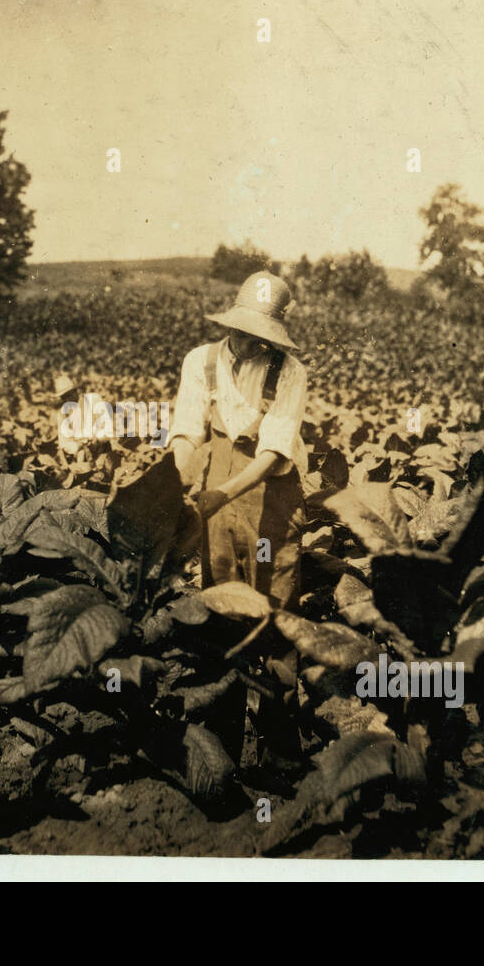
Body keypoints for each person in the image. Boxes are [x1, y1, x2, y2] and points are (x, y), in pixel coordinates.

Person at [166, 270, 308, 777]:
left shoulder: (289, 371)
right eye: (245, 328)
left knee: (274, 611)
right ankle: (218, 746)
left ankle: (279, 755)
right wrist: (180, 483)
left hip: (270, 493)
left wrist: (217, 495)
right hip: (216, 489)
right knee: (220, 606)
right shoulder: (200, 362)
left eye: (262, 333)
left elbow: (272, 452)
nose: (252, 340)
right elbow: (186, 430)